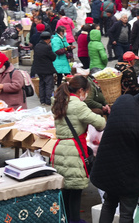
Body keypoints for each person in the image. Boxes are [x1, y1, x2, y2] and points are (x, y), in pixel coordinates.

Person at [90, 66, 139, 223]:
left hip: (108, 167)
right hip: (128, 175)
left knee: (109, 204)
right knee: (126, 214)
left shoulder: (122, 100)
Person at [51, 75, 106, 223]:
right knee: (75, 191)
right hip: (74, 151)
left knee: (66, 190)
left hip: (60, 149)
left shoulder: (58, 101)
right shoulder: (78, 105)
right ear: (81, 90)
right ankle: (74, 220)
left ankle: (66, 219)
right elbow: (100, 123)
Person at [32, 32, 56, 106]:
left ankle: (42, 100)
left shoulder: (37, 46)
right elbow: (53, 57)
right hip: (47, 69)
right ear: (47, 39)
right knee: (48, 85)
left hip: (39, 69)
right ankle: (48, 101)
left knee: (41, 84)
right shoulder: (47, 47)